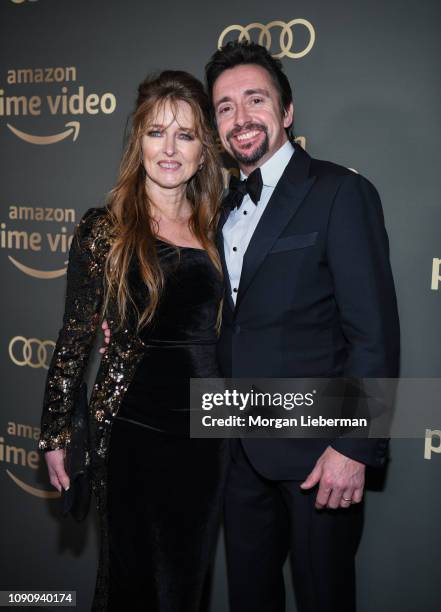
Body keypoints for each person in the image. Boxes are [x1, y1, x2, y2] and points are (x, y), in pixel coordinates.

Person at [204, 42, 400, 612]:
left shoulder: (341, 193)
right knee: (249, 599)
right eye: (223, 107)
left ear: (286, 111)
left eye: (254, 100)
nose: (240, 118)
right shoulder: (219, 209)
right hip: (237, 451)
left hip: (319, 456)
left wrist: (354, 447)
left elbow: (373, 333)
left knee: (324, 598)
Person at [38, 70, 229, 612]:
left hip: (207, 436)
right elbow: (75, 335)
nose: (169, 149)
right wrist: (55, 433)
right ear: (137, 141)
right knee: (132, 582)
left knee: (187, 585)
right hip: (130, 431)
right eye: (155, 132)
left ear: (202, 151)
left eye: (185, 135)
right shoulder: (106, 228)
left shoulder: (220, 226)